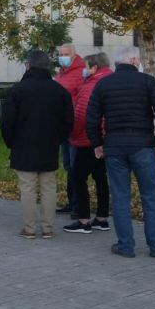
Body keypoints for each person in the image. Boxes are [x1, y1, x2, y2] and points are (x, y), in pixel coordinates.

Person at [84, 46, 155, 258]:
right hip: (143, 145)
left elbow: (91, 118)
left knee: (120, 196)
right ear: (134, 60)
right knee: (150, 196)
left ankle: (125, 246)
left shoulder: (103, 84)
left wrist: (97, 143)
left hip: (114, 146)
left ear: (118, 63)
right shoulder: (148, 82)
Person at [0, 50, 74, 239]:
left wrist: (11, 142)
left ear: (28, 65)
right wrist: (58, 139)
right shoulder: (59, 90)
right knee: (49, 187)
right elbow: (68, 121)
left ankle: (30, 228)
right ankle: (48, 228)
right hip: (49, 145)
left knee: (28, 188)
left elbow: (7, 122)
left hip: (23, 146)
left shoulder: (18, 90)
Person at [63, 52, 113, 235]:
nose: (84, 70)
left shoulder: (92, 84)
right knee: (101, 178)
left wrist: (72, 134)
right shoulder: (111, 80)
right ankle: (102, 218)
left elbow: (82, 113)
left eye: (86, 67)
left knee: (78, 177)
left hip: (87, 139)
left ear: (94, 68)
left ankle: (83, 220)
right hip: (106, 138)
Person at [54, 43, 85, 216]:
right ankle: (71, 201)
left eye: (65, 54)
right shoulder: (61, 74)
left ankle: (78, 205)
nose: (62, 57)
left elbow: (81, 98)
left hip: (75, 125)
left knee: (75, 166)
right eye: (60, 54)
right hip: (63, 127)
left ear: (73, 55)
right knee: (67, 165)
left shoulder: (80, 73)